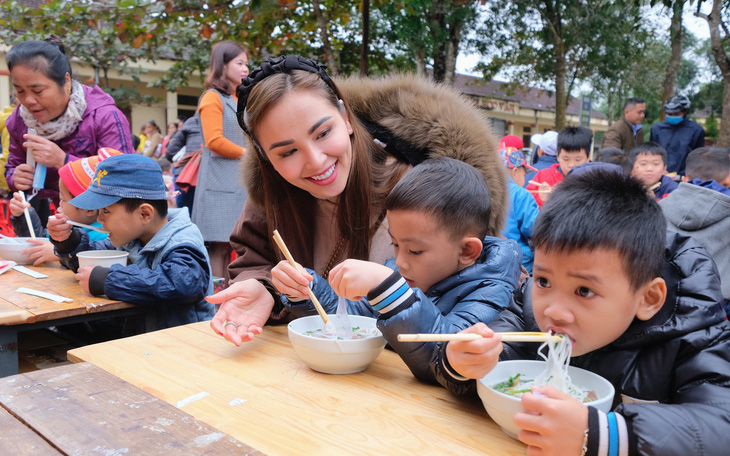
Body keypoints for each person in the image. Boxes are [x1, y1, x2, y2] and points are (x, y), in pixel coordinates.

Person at [207, 55, 508, 346]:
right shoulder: (274, 193)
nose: (315, 161)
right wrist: (265, 288)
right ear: (266, 159)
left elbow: (463, 315)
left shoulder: (426, 190)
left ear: (346, 116)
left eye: (323, 133)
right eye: (287, 152)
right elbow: (256, 258)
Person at [432, 170, 730, 455]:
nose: (554, 311)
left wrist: (606, 435)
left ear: (648, 298)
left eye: (584, 291)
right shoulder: (529, 308)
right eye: (544, 280)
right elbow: (487, 365)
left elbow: (721, 427)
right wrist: (458, 363)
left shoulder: (692, 335)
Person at [272, 157, 521, 383]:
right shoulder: (405, 271)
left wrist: (391, 291)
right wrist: (306, 289)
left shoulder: (491, 289)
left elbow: (444, 354)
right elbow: (355, 317)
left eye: (414, 251)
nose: (400, 260)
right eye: (395, 244)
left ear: (467, 251)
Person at [46, 154, 215, 331]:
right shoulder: (133, 238)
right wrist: (68, 241)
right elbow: (97, 256)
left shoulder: (181, 242)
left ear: (144, 214)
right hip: (144, 343)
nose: (100, 218)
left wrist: (108, 280)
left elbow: (182, 283)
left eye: (106, 211)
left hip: (183, 348)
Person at [3, 38, 134, 216]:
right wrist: (15, 177)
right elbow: (12, 167)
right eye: (20, 91)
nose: (28, 101)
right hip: (52, 219)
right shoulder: (20, 121)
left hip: (105, 224)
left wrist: (63, 161)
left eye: (38, 91)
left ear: (66, 82)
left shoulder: (104, 117)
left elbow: (125, 178)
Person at [192, 41, 250, 280]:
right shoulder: (212, 97)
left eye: (246, 63)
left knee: (230, 248)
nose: (245, 68)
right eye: (239, 63)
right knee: (219, 248)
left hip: (237, 186)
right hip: (219, 188)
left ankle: (227, 299)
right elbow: (213, 140)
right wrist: (251, 155)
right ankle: (217, 305)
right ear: (222, 65)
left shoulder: (240, 99)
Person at [8, 147, 120, 264]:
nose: (59, 206)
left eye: (63, 200)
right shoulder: (69, 227)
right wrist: (22, 214)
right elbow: (37, 240)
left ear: (89, 210)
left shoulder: (105, 237)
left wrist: (58, 252)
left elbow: (97, 259)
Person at [659, 147, 730, 314]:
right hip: (719, 307)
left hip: (663, 301)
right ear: (728, 181)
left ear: (684, 179)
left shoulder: (656, 208)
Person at [525, 126, 592, 208]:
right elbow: (525, 206)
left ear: (588, 157)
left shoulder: (593, 180)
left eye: (578, 159)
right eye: (566, 159)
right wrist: (540, 198)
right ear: (558, 156)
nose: (571, 165)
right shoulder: (543, 176)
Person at [499, 147, 539, 273]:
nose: (525, 177)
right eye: (524, 173)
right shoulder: (520, 194)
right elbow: (535, 229)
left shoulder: (484, 188)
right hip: (517, 266)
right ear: (515, 171)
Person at [650, 94, 705, 175]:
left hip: (685, 177)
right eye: (669, 114)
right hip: (660, 175)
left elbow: (698, 157)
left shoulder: (696, 130)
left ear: (685, 111)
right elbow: (651, 153)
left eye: (676, 114)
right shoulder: (657, 129)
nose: (672, 116)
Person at [164, 114, 203, 212]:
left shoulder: (192, 122)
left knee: (185, 215)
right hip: (207, 179)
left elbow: (170, 152)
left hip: (185, 179)